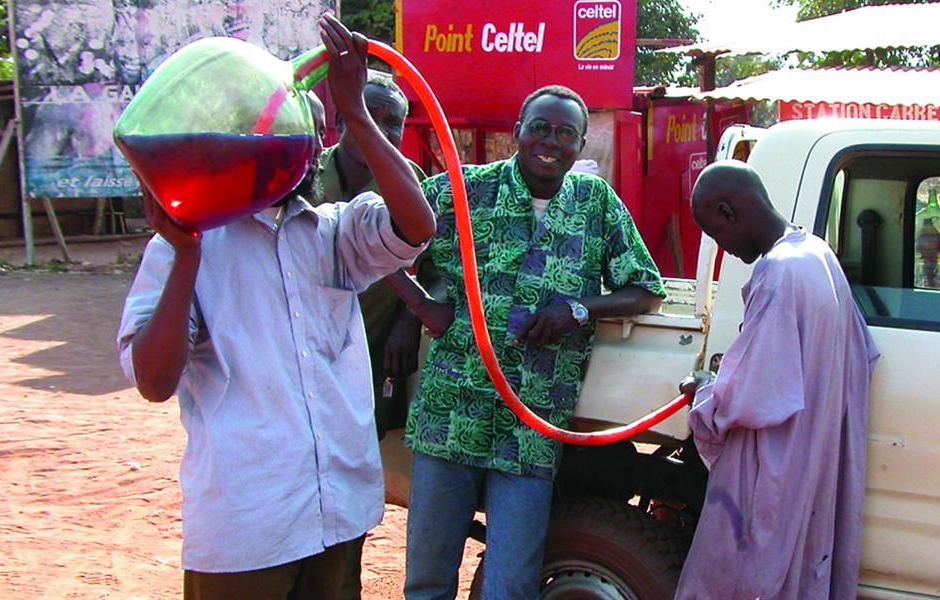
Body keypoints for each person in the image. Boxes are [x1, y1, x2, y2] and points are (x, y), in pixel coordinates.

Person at [115, 16, 434, 599]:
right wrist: (184, 254)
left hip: (338, 512)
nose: (310, 148)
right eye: (297, 132)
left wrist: (356, 115)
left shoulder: (334, 233)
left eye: (317, 135)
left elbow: (417, 227)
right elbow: (154, 381)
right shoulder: (186, 247)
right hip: (247, 531)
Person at [399, 85, 666, 600]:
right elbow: (378, 237)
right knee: (429, 576)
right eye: (540, 127)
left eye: (566, 133)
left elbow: (645, 288)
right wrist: (418, 308)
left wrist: (578, 309)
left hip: (533, 422)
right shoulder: (461, 189)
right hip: (452, 410)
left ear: (581, 143)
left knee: (513, 582)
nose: (551, 141)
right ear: (517, 131)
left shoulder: (595, 204)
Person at [676, 160, 879, 600]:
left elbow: (750, 394)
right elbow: (860, 352)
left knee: (751, 571)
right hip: (816, 445)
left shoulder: (779, 272)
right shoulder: (816, 251)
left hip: (778, 460)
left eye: (716, 233)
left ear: (729, 212)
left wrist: (704, 392)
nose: (723, 248)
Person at [308, 69, 437, 600]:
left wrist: (408, 321)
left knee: (351, 481)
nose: (381, 129)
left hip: (368, 361)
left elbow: (436, 264)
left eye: (394, 121)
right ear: (343, 117)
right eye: (371, 115)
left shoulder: (407, 182)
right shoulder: (305, 175)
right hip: (304, 356)